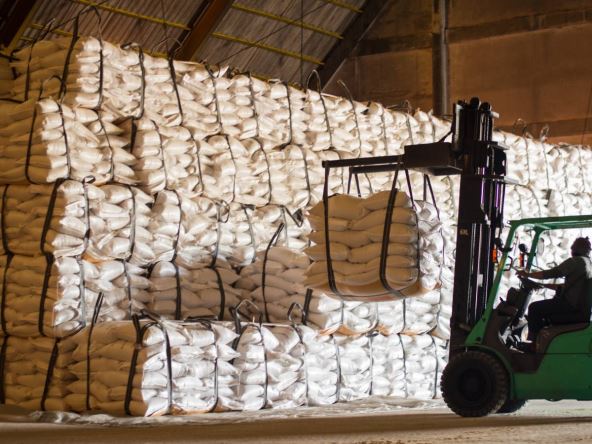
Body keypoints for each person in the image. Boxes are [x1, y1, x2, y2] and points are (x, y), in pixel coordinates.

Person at [517, 237, 592, 345]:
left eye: (574, 245)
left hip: (569, 306)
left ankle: (533, 344)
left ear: (579, 247)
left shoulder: (576, 261)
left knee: (534, 308)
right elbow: (566, 286)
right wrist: (544, 285)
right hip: (579, 309)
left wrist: (527, 274)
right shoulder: (588, 264)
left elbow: (552, 273)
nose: (571, 247)